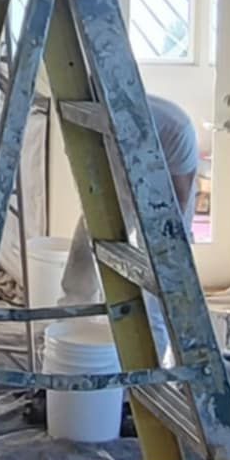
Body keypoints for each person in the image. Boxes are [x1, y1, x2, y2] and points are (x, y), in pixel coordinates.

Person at [60, 92, 199, 305]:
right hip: (115, 178)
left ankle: (157, 328)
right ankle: (74, 311)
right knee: (86, 242)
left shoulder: (175, 128)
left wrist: (164, 241)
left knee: (162, 265)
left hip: (161, 191)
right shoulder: (89, 117)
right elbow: (84, 172)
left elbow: (179, 197)